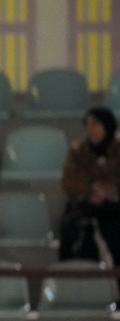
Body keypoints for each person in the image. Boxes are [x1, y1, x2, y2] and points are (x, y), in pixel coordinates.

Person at [59, 105, 120, 267]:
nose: (91, 129)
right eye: (87, 125)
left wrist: (111, 189)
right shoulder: (78, 151)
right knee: (71, 231)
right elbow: (69, 180)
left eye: (96, 125)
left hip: (115, 209)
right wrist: (91, 188)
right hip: (84, 209)